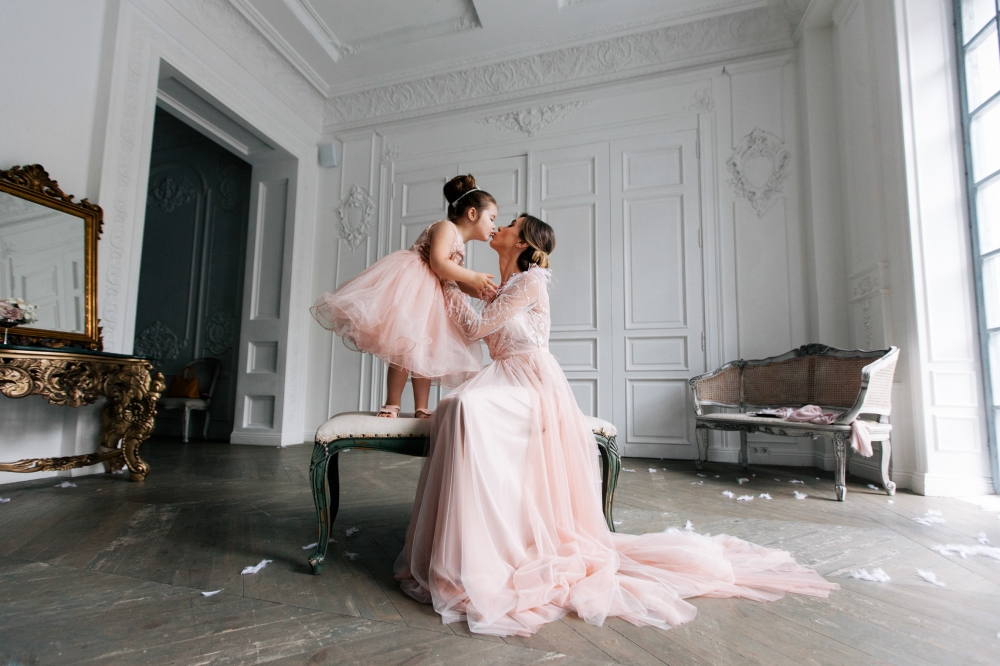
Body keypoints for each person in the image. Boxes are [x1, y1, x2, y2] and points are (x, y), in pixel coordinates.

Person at [395, 214, 839, 637]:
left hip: (531, 382)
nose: (502, 226)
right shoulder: (501, 286)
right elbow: (470, 325)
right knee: (454, 406)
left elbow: (476, 330)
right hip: (504, 377)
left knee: (465, 407)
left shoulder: (531, 281)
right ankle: (479, 540)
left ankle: (485, 549)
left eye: (511, 224)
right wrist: (445, 276)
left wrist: (448, 277)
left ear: (524, 242)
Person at [311, 175, 498, 417]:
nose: (494, 226)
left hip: (432, 297)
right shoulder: (446, 228)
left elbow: (453, 279)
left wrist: (481, 290)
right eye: (491, 218)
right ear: (473, 214)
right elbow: (438, 263)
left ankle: (421, 406)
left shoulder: (459, 242)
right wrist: (473, 276)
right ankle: (392, 403)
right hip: (415, 289)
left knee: (425, 352)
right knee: (403, 348)